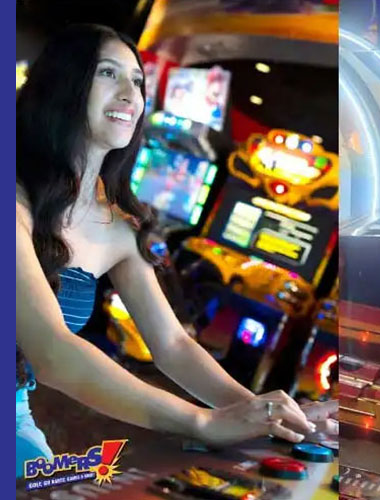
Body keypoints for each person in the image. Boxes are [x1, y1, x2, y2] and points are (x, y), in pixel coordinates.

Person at [15, 25, 335, 478]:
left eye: (138, 81)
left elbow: (173, 345)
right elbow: (51, 351)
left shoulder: (117, 226)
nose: (130, 93)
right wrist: (203, 422)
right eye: (109, 73)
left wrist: (268, 414)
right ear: (64, 84)